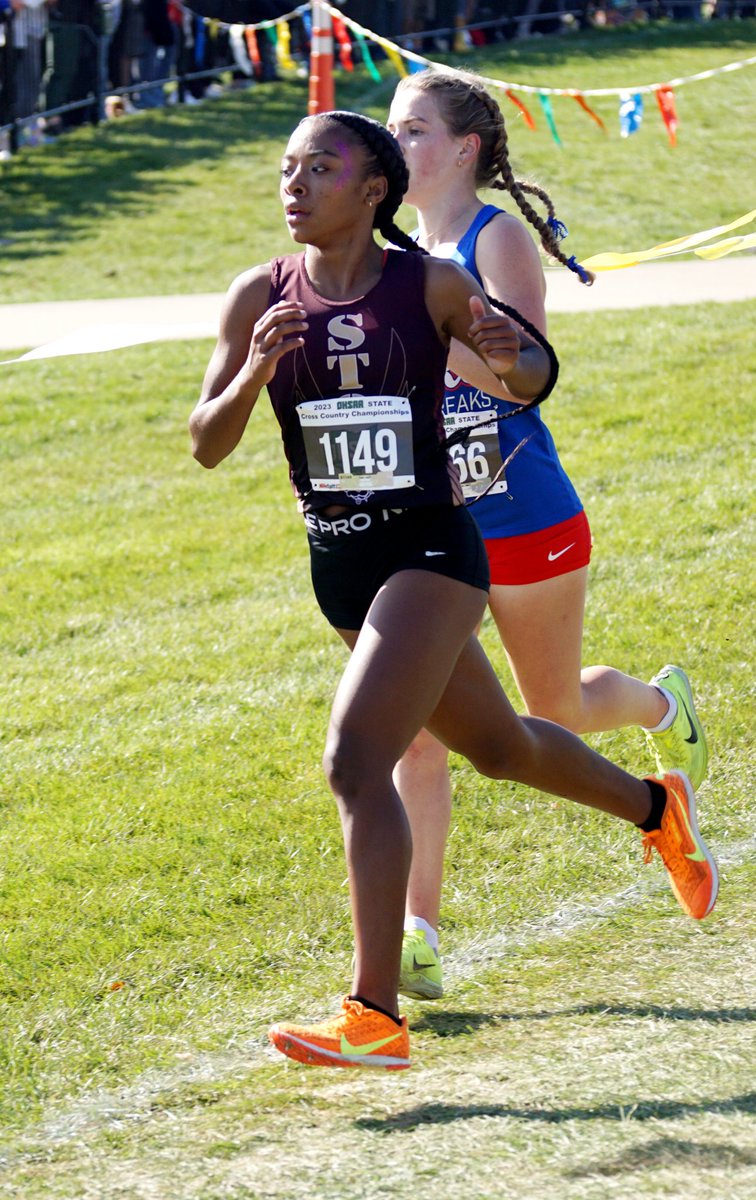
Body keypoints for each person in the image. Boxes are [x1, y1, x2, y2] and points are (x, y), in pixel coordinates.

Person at [189, 109, 718, 1072]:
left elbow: (533, 369)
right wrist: (256, 365)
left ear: (374, 189)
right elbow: (206, 444)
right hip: (341, 568)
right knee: (503, 746)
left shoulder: (427, 283)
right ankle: (656, 808)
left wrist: (512, 355)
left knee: (358, 759)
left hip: (432, 554)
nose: (294, 186)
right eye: (285, 170)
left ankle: (376, 1014)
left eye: (319, 168)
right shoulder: (256, 296)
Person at [385, 67, 710, 1003]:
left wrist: (424, 322)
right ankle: (418, 934)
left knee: (550, 710)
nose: (396, 146)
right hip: (433, 519)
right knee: (413, 731)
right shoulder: (401, 245)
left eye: (412, 132)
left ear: (463, 148)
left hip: (522, 508)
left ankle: (662, 708)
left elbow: (516, 375)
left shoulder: (498, 238)